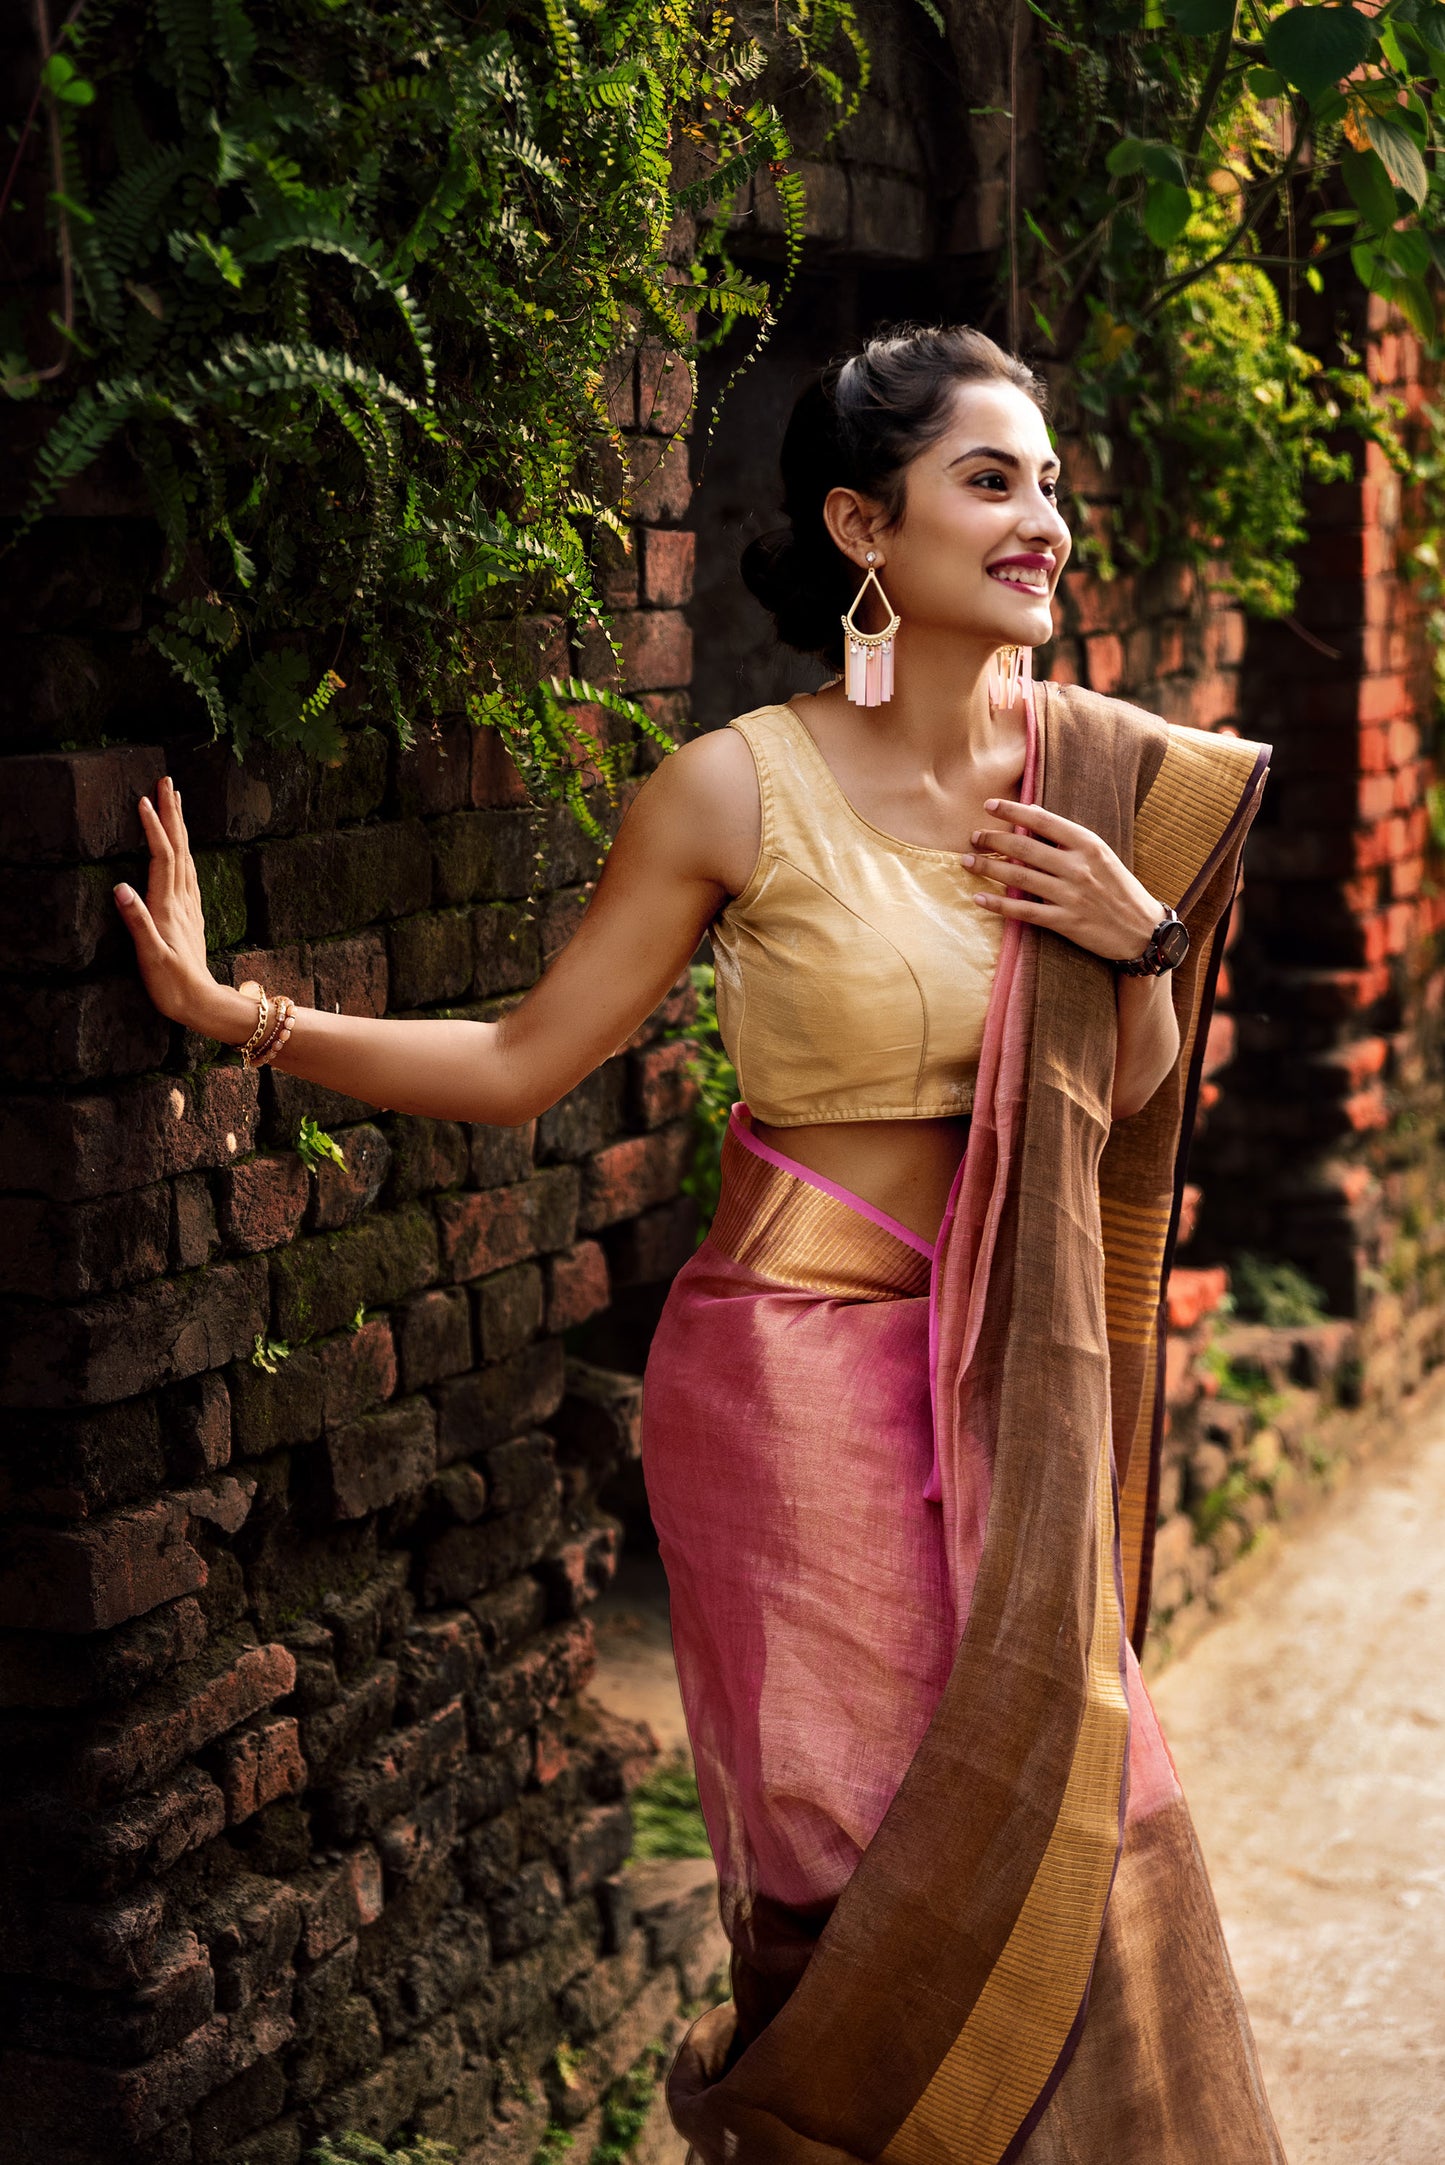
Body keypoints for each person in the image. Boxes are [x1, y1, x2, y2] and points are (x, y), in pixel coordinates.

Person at [116, 324, 1283, 2163]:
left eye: (1048, 480)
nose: (1043, 519)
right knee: (856, 1871)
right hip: (796, 1401)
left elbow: (1119, 1102)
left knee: (1085, 1799)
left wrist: (1137, 942)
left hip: (1007, 1396)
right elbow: (520, 1060)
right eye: (991, 479)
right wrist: (239, 1016)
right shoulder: (736, 790)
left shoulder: (1096, 778)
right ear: (860, 526)